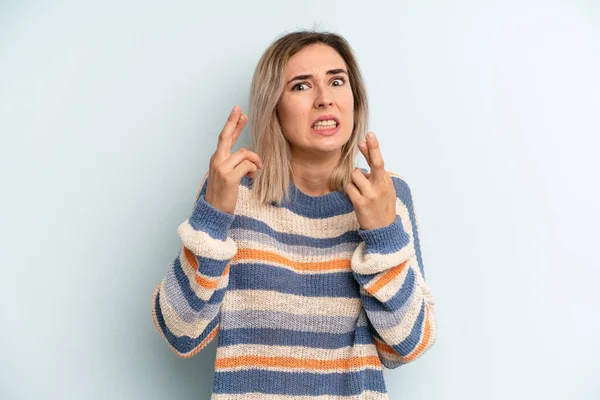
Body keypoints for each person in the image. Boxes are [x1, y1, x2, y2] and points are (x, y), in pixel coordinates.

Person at [150, 29, 437, 399]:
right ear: (274, 106)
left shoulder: (386, 196)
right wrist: (211, 217)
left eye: (337, 81)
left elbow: (407, 346)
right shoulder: (231, 191)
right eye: (301, 86)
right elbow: (181, 332)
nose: (324, 100)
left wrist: (383, 234)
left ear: (354, 97)